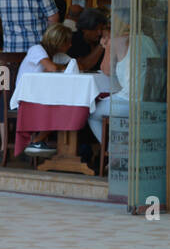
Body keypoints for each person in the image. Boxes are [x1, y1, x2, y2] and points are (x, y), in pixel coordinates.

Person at [0, 0, 61, 154]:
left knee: (4, 96)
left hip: (7, 55)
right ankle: (31, 145)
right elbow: (53, 18)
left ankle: (5, 147)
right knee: (35, 99)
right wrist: (49, 42)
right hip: (34, 57)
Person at [88, 10, 159, 165]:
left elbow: (106, 70)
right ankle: (122, 149)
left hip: (129, 102)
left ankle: (114, 154)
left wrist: (106, 46)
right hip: (152, 102)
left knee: (91, 112)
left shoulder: (117, 41)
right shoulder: (149, 40)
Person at [17, 23, 74, 155]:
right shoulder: (37, 49)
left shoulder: (56, 55)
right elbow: (52, 67)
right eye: (67, 42)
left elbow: (77, 65)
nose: (70, 45)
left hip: (40, 96)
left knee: (69, 105)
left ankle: (41, 142)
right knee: (64, 107)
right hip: (26, 97)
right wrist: (63, 67)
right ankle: (37, 141)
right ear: (58, 42)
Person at [68, 9, 108, 73]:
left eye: (101, 29)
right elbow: (83, 66)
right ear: (84, 29)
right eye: (95, 29)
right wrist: (101, 45)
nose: (99, 33)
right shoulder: (72, 41)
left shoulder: (100, 39)